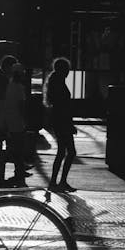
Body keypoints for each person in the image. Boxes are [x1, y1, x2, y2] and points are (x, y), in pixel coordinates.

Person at [43, 56, 77, 193]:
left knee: (62, 151)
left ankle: (54, 181)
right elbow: (64, 107)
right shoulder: (60, 84)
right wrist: (71, 124)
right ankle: (61, 181)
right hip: (63, 122)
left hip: (58, 121)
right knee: (70, 152)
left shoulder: (55, 81)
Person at [2, 62, 27, 186]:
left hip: (9, 121)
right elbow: (21, 105)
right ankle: (19, 172)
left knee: (13, 148)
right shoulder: (19, 87)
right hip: (18, 123)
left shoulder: (9, 86)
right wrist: (25, 119)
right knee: (19, 149)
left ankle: (19, 171)